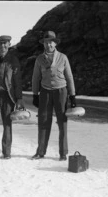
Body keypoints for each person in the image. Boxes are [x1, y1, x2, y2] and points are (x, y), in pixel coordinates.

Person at [31, 31, 76, 161]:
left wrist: (72, 96)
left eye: (51, 41)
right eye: (46, 42)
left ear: (55, 43)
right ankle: (40, 152)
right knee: (43, 121)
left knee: (62, 122)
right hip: (45, 92)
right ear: (43, 44)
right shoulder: (39, 59)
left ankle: (63, 153)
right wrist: (35, 94)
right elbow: (35, 78)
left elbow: (69, 77)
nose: (48, 44)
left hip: (61, 92)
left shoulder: (63, 57)